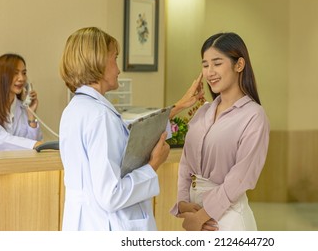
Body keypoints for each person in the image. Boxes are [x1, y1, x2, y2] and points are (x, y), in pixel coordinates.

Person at [58, 26, 203, 231]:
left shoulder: (76, 109)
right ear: (98, 61)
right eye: (114, 58)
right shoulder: (100, 116)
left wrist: (178, 106)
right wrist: (153, 165)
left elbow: (131, 131)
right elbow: (111, 195)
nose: (118, 69)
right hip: (107, 225)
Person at [170, 32, 270, 231]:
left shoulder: (254, 116)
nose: (209, 72)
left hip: (227, 218)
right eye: (205, 65)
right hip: (195, 214)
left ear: (239, 65)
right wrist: (182, 202)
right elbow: (186, 164)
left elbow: (241, 178)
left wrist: (201, 216)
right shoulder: (203, 112)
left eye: (217, 63)